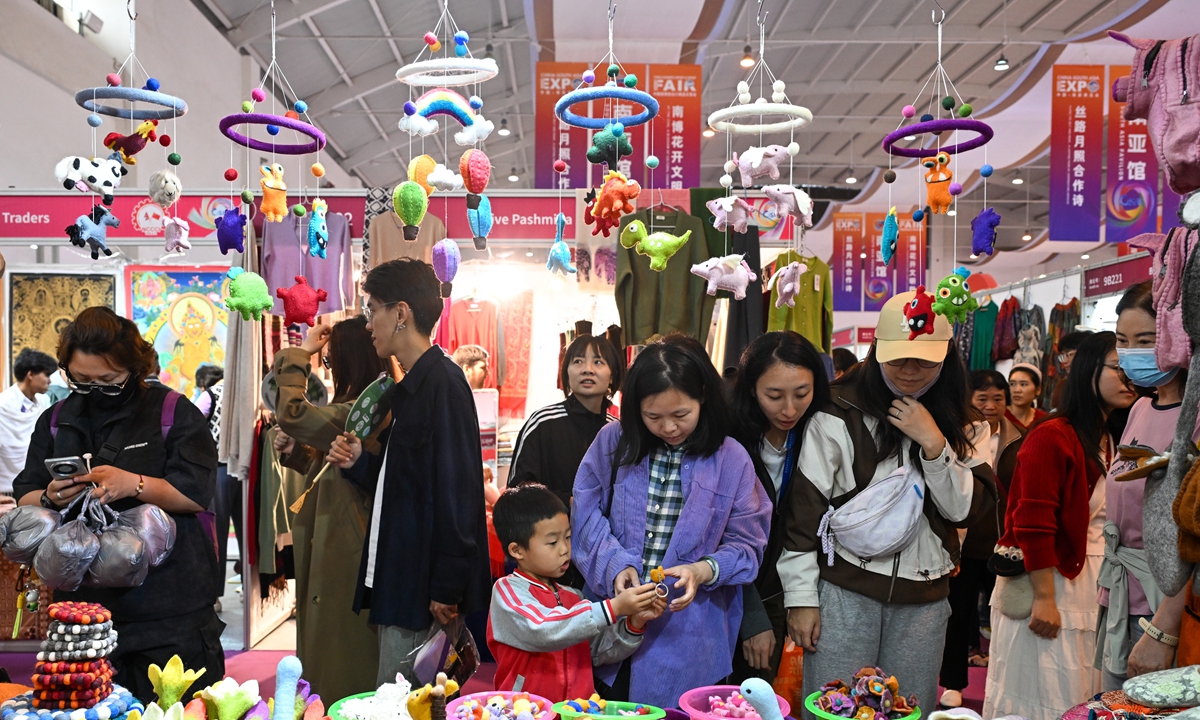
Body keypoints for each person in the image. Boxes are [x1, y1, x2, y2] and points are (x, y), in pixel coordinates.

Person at [779, 291, 993, 716]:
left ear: (946, 357)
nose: (911, 371)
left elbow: (967, 512)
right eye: (898, 359)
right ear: (876, 349)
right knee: (833, 708)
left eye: (926, 361)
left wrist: (933, 441)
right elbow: (805, 512)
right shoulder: (836, 410)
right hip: (844, 590)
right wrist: (800, 598)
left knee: (907, 709)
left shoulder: (965, 421)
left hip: (926, 597)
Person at [13, 307, 223, 701]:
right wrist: (49, 497)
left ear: (135, 366)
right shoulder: (56, 419)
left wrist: (133, 484)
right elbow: (26, 490)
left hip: (168, 605)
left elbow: (195, 493)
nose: (95, 391)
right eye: (82, 381)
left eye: (109, 381)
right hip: (83, 613)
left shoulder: (172, 412)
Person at [571, 335, 771, 706]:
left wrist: (701, 570)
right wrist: (616, 566)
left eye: (681, 415)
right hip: (614, 621)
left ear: (703, 398)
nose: (669, 427)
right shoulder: (614, 441)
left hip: (693, 636)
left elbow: (748, 543)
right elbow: (584, 515)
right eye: (653, 417)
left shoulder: (731, 458)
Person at [326, 258, 491, 687]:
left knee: (403, 702)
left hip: (421, 588)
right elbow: (407, 482)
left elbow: (459, 491)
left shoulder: (443, 385)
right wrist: (359, 462)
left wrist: (447, 586)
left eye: (372, 309)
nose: (368, 323)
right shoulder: (417, 384)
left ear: (400, 313)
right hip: (403, 576)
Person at [984, 331, 1136, 720]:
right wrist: (1045, 599)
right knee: (1046, 690)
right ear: (1088, 371)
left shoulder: (1106, 434)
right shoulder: (1052, 435)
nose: (1130, 376)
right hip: (1052, 581)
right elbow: (1032, 521)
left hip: (1093, 581)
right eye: (1120, 367)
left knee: (1082, 690)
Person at [271, 318, 391, 700]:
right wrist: (297, 453)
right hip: (337, 540)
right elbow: (332, 472)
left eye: (333, 359)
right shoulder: (357, 410)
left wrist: (299, 355)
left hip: (344, 547)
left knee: (338, 652)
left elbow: (291, 412)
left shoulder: (361, 411)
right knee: (330, 644)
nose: (330, 366)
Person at [1095, 281, 1196, 688]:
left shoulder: (1195, 415)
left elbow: (1194, 533)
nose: (1132, 352)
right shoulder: (1138, 408)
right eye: (1123, 340)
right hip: (1119, 594)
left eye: (1146, 340)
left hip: (1166, 607)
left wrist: (1164, 627)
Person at [487, 484, 665, 699]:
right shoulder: (507, 592)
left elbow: (598, 651)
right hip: (529, 711)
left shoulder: (573, 597)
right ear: (516, 550)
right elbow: (543, 629)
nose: (564, 549)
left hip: (577, 711)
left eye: (568, 537)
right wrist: (614, 607)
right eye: (552, 542)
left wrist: (634, 623)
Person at [726, 331, 830, 683]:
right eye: (774, 395)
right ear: (751, 388)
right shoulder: (728, 441)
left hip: (800, 587)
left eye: (802, 394)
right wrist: (752, 616)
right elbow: (718, 536)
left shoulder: (823, 434)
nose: (789, 410)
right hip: (739, 590)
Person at [938, 371, 1021, 707]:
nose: (990, 406)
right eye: (981, 398)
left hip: (1007, 545)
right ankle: (954, 684)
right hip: (968, 545)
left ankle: (1006, 685)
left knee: (1007, 619)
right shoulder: (959, 435)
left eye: (997, 398)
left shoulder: (1021, 437)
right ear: (968, 398)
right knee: (959, 616)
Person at [509, 334, 625, 507]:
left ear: (612, 376)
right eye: (578, 361)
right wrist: (568, 502)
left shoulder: (616, 431)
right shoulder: (542, 423)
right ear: (566, 372)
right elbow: (518, 488)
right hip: (551, 531)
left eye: (598, 362)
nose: (588, 369)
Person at [0, 349, 56, 496]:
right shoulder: (3, 405)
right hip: (5, 488)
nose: (50, 381)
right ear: (30, 374)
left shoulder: (42, 403)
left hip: (33, 484)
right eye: (47, 375)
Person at [1051, 331, 1093, 410]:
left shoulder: (1101, 384)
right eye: (1063, 356)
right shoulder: (1063, 385)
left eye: (1070, 354)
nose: (1064, 361)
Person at [1006, 363, 1047, 433]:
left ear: (1038, 390)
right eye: (1012, 384)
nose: (1017, 390)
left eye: (1023, 384)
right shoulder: (1000, 416)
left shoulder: (1044, 419)